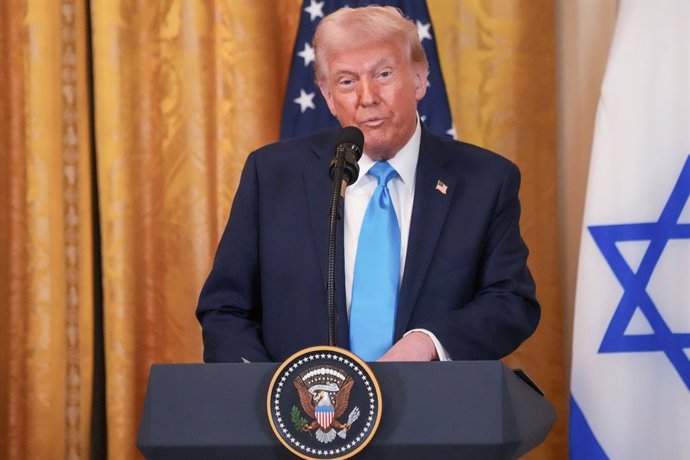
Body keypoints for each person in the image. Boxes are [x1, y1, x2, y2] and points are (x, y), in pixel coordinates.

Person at [196, 5, 540, 363]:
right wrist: (271, 392)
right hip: (300, 412)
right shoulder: (271, 176)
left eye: (384, 74)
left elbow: (511, 300)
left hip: (434, 408)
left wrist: (430, 342)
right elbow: (225, 309)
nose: (367, 97)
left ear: (420, 79)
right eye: (346, 81)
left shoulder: (484, 180)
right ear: (328, 96)